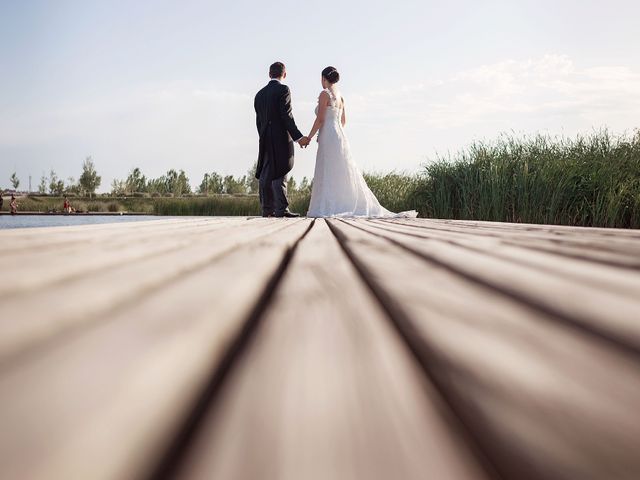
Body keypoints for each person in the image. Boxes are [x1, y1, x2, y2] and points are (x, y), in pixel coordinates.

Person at [306, 67, 417, 218]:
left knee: (328, 168)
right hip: (340, 135)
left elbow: (320, 119)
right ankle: (341, 204)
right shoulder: (340, 97)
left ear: (324, 78)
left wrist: (310, 136)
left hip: (329, 135)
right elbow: (343, 121)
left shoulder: (324, 94)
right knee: (341, 170)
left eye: (321, 78)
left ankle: (327, 206)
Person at [254, 62, 310, 218]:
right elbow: (287, 116)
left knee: (266, 171)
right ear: (284, 74)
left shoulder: (259, 94)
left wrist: (263, 136)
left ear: (269, 74)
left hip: (265, 137)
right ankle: (281, 209)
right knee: (282, 169)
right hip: (280, 137)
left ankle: (267, 209)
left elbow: (258, 121)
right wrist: (298, 137)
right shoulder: (283, 89)